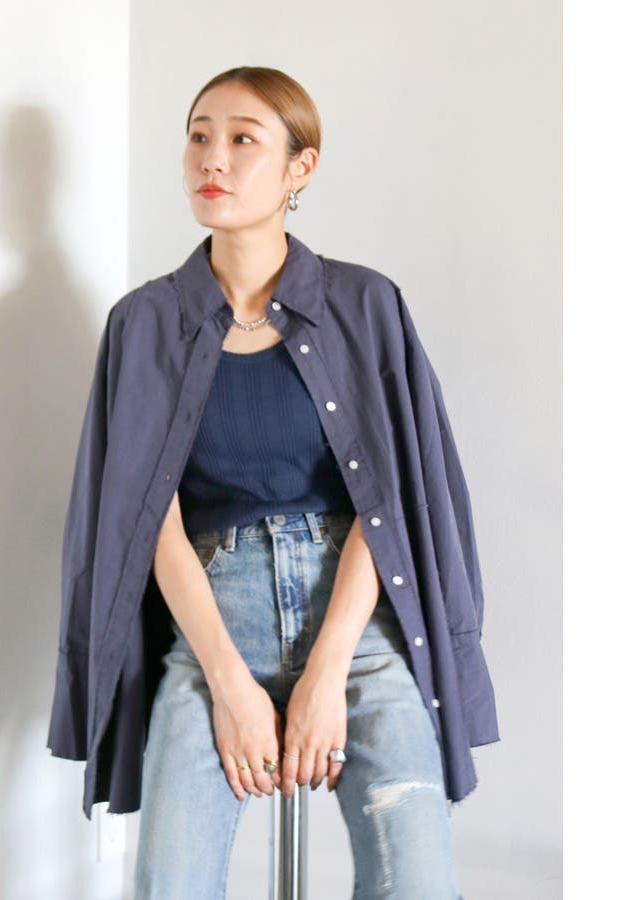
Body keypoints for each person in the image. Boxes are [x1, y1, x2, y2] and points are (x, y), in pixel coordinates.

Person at [128, 67, 468, 899]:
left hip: (356, 626)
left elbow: (385, 503)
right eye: (199, 136)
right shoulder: (146, 322)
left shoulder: (364, 304)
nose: (212, 158)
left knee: (418, 884)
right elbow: (148, 520)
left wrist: (324, 674)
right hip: (213, 625)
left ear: (299, 167)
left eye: (243, 139)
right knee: (169, 886)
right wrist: (228, 683)